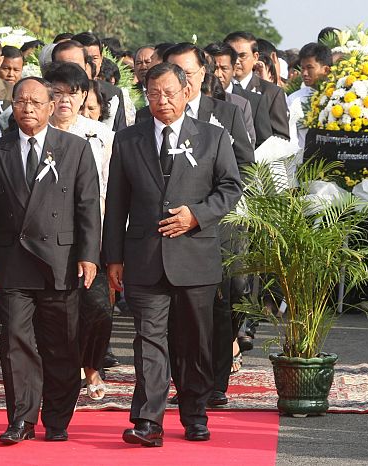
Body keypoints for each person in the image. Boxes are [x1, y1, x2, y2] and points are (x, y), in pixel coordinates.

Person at [103, 63, 242, 446]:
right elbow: (117, 203)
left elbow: (231, 187)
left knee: (193, 342)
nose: (162, 101)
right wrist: (112, 258)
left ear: (185, 92)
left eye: (169, 93)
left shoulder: (212, 137)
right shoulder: (128, 139)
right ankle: (147, 421)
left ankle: (195, 414)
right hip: (144, 259)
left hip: (195, 259)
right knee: (148, 340)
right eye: (153, 94)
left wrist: (196, 215)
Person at [0, 77, 100, 444]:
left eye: (35, 101)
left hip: (61, 261)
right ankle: (22, 419)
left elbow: (88, 207)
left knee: (61, 344)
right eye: (21, 101)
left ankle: (57, 418)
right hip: (13, 261)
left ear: (50, 106)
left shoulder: (74, 148)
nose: (27, 107)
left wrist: (90, 256)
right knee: (15, 343)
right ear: (11, 106)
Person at [44, 62, 114, 401]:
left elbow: (113, 188)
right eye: (56, 93)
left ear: (84, 95)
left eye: (72, 94)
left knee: (98, 306)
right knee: (57, 308)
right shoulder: (35, 131)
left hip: (92, 233)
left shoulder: (101, 135)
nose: (64, 101)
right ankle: (61, 370)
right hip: (46, 235)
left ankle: (92, 366)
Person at [224, 31, 290, 146]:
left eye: (242, 56)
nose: (237, 61)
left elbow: (281, 138)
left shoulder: (272, 93)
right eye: (232, 55)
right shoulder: (215, 88)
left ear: (255, 57)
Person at [203, 42, 256, 146]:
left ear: (234, 69)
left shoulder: (241, 104)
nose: (218, 74)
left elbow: (248, 144)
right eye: (214, 68)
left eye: (224, 68)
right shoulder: (190, 99)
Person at [287, 43, 332, 148]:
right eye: (302, 68)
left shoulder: (339, 97)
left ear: (326, 70)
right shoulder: (294, 100)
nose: (304, 73)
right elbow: (291, 140)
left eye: (309, 67)